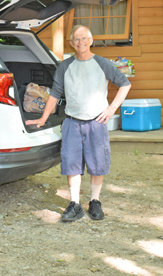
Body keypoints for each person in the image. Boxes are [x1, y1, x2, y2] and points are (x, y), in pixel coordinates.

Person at [26, 25, 131, 222]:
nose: (81, 42)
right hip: (72, 122)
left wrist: (111, 109)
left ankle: (95, 201)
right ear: (72, 43)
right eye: (77, 39)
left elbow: (125, 83)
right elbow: (55, 94)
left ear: (91, 41)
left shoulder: (102, 63)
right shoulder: (65, 66)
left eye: (84, 39)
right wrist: (42, 118)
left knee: (97, 164)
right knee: (71, 163)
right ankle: (75, 204)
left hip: (96, 123)